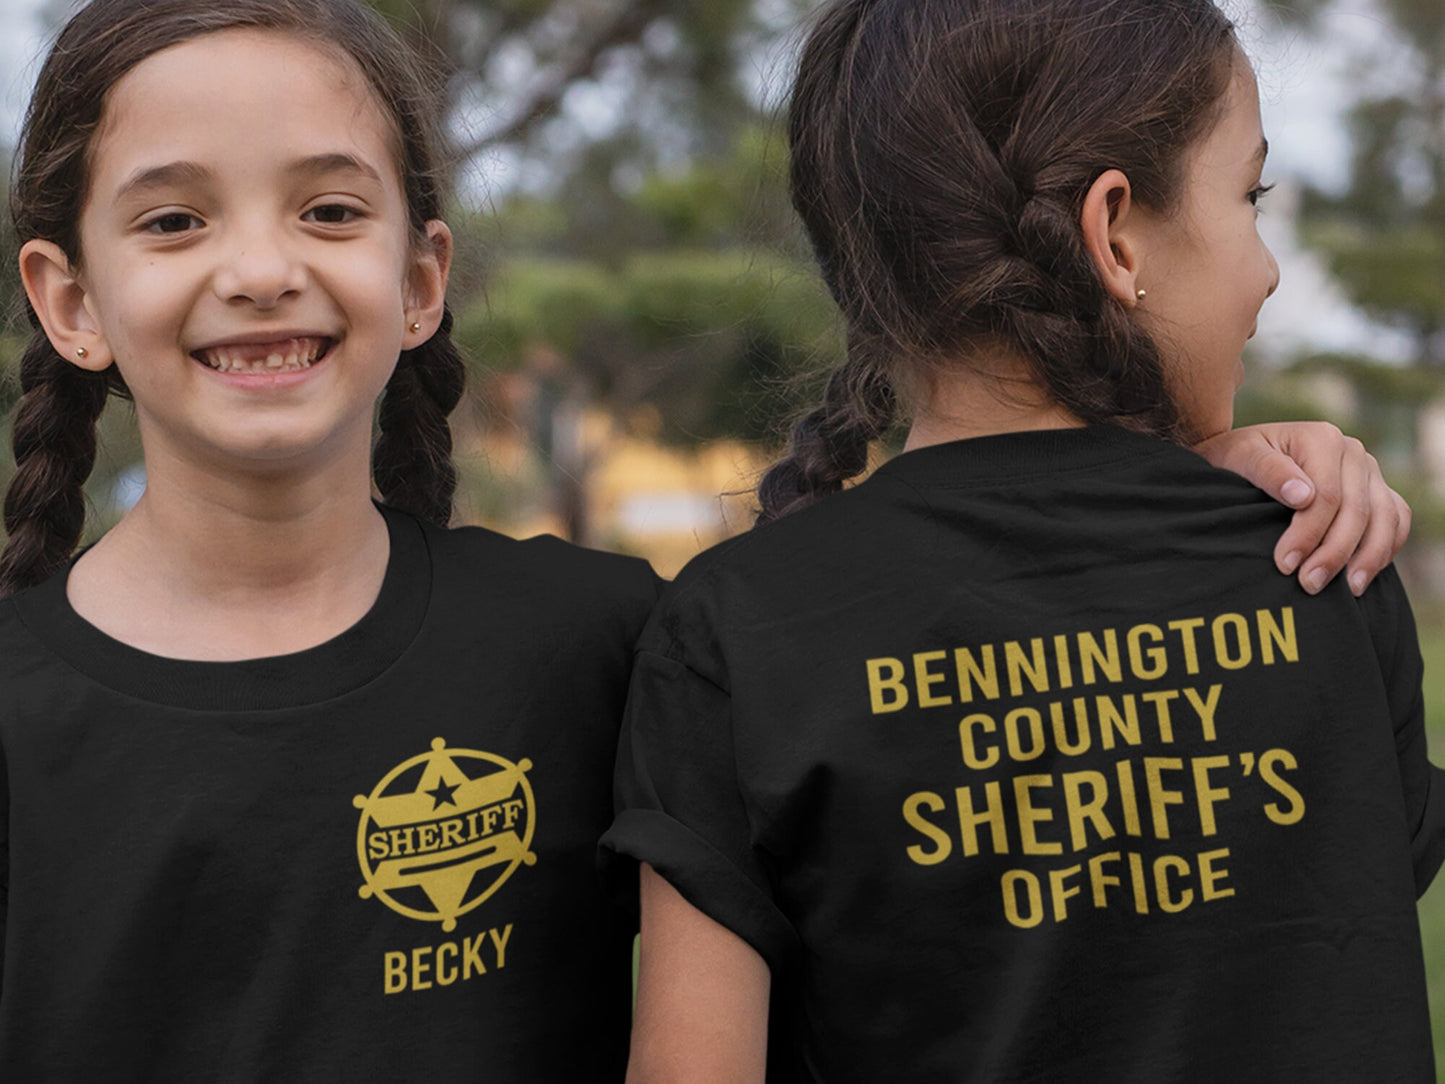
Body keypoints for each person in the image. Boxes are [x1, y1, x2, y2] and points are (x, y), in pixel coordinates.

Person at [602, 0, 1445, 1079]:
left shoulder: (733, 628)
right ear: (1112, 233)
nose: (1266, 271)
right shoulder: (1318, 563)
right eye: (1249, 197)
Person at [0, 1, 657, 1078]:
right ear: (71, 301)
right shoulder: (19, 719)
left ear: (418, 280)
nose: (261, 271)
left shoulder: (604, 642)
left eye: (331, 210)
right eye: (173, 221)